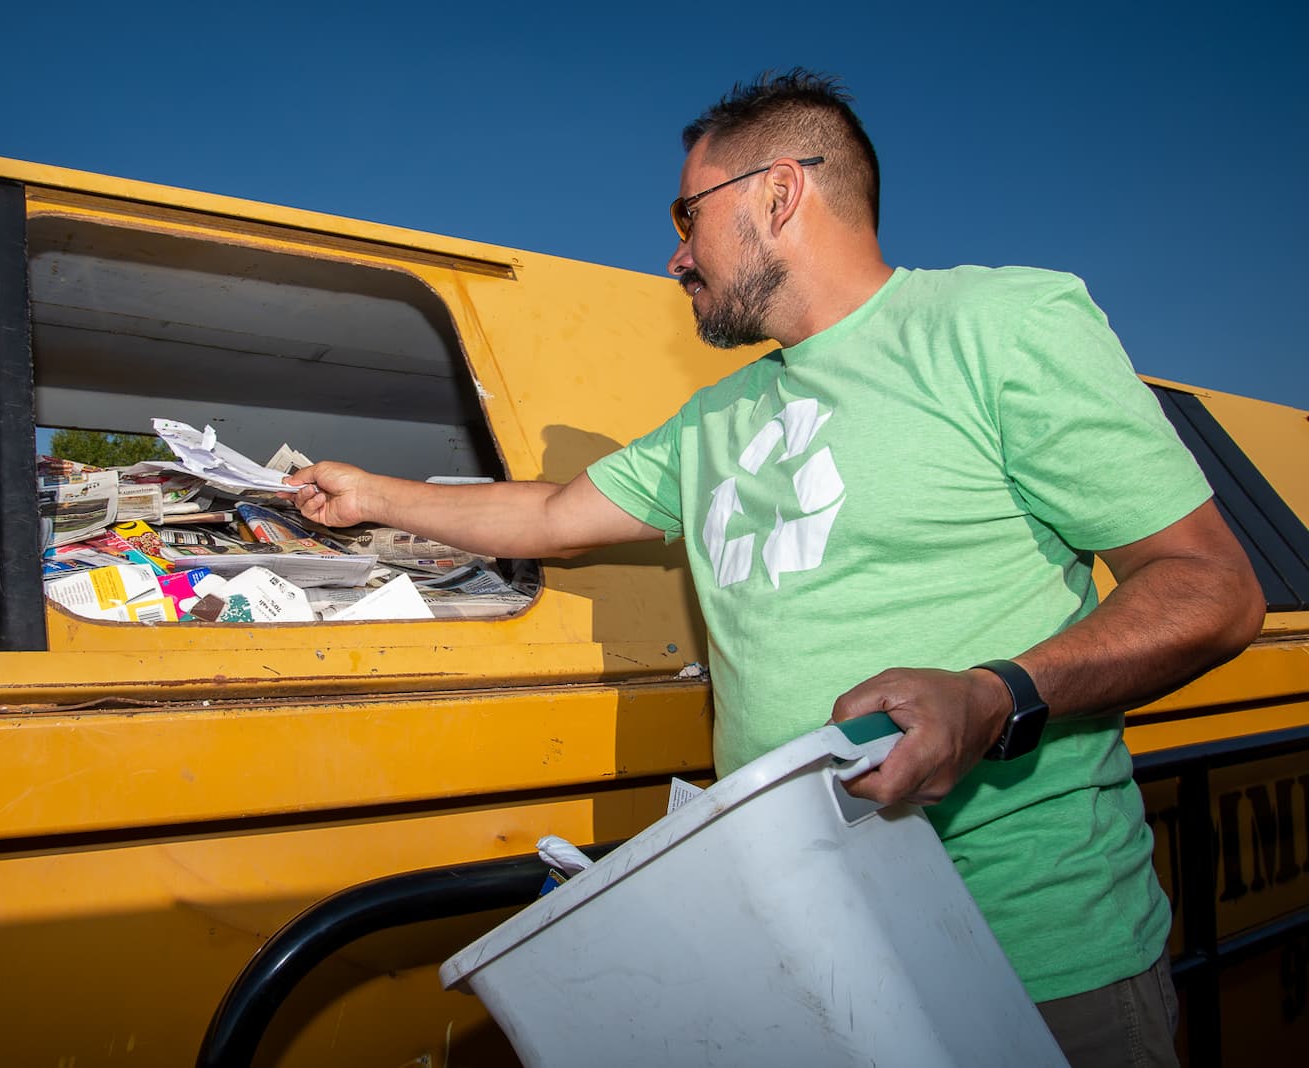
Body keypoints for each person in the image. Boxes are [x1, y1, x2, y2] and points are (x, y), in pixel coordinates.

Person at [287, 69, 1265, 1065]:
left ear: (779, 192)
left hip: (1032, 964)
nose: (674, 255)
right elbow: (551, 513)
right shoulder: (714, 417)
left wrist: (992, 696)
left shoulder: (1002, 325)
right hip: (804, 965)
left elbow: (1213, 588)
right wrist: (367, 495)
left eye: (687, 215)